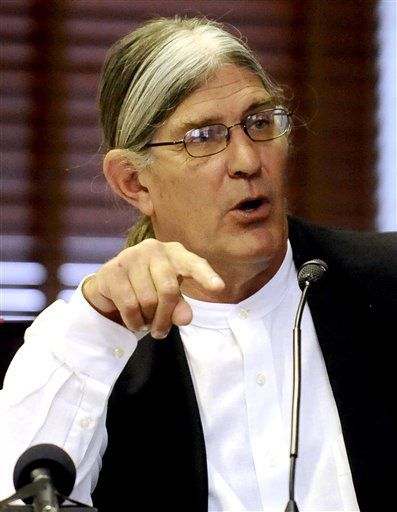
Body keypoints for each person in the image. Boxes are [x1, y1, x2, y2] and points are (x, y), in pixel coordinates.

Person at [0, 16, 395, 512]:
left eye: (260, 122)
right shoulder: (87, 342)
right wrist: (97, 332)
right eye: (203, 137)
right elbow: (26, 496)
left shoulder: (386, 286)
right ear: (134, 184)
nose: (248, 161)